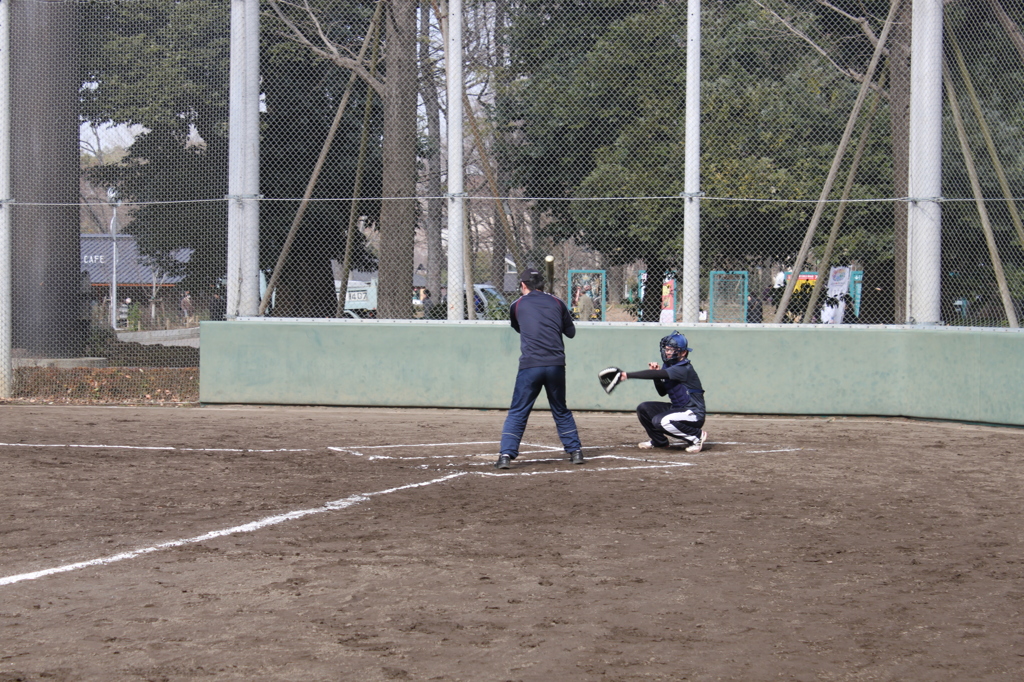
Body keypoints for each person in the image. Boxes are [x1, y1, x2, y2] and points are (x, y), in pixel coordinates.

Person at [496, 268, 584, 469]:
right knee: (560, 409)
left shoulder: (516, 305)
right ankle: (576, 451)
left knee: (518, 410)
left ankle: (505, 455)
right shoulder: (557, 302)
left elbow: (521, 327)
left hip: (530, 365)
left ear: (523, 285)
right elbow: (570, 333)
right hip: (555, 364)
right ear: (543, 285)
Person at [616, 331, 707, 453]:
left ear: (683, 352)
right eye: (667, 349)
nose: (668, 352)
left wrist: (626, 375)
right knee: (644, 408)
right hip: (678, 409)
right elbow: (662, 392)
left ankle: (696, 436)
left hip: (694, 414)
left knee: (661, 421)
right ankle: (659, 441)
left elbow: (656, 374)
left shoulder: (684, 368)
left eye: (672, 350)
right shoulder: (668, 365)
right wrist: (657, 377)